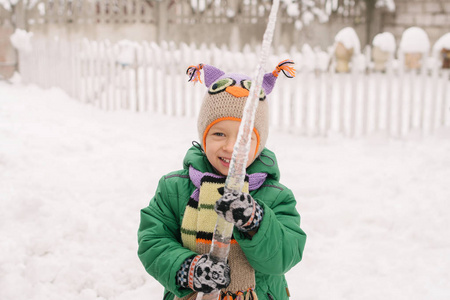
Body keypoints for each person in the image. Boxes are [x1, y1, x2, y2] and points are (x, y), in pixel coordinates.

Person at [138, 60, 307, 300]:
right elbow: (153, 242)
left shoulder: (276, 196)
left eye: (245, 138)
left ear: (259, 145)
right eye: (219, 134)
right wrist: (189, 269)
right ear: (203, 134)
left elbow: (284, 255)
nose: (231, 147)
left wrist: (255, 221)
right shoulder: (174, 188)